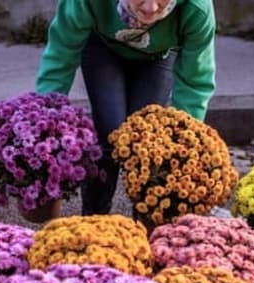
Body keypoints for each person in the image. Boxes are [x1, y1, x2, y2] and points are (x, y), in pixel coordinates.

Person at [35, 0, 217, 215]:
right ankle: (94, 218)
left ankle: (147, 221)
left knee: (148, 138)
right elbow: (61, 53)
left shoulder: (196, 8)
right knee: (110, 130)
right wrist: (45, 120)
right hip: (102, 47)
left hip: (157, 56)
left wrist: (185, 145)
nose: (150, 8)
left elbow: (195, 81)